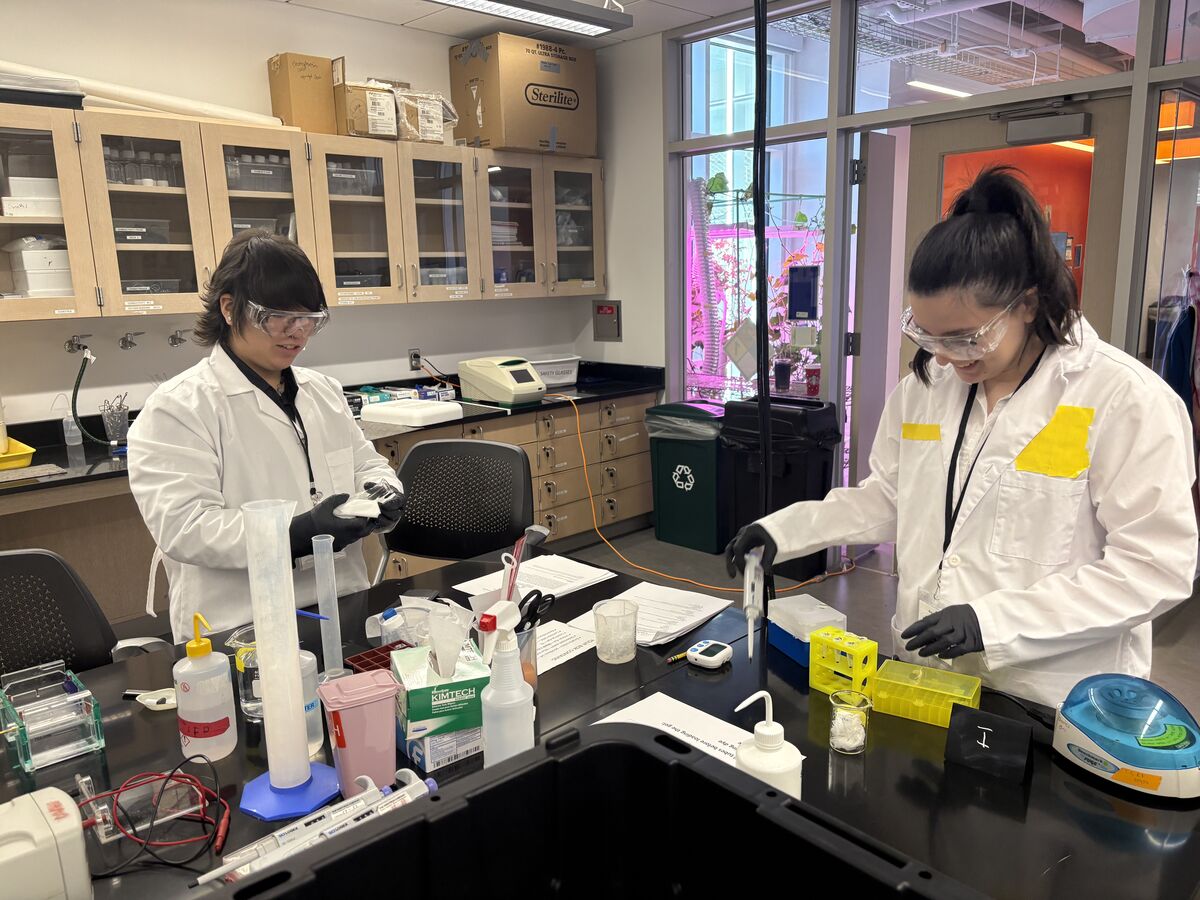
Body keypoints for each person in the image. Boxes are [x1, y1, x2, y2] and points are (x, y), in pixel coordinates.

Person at [726, 166, 1198, 708]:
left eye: (965, 337)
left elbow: (1154, 568)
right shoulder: (926, 390)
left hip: (1053, 696)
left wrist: (992, 622)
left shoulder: (1124, 401)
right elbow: (890, 498)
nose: (946, 357)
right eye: (928, 335)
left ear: (1027, 302)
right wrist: (782, 531)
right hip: (925, 672)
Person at [128, 231, 405, 642]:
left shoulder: (323, 391)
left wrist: (383, 493)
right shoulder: (179, 407)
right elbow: (185, 528)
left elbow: (367, 464)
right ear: (228, 308)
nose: (297, 333)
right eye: (280, 316)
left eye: (309, 320)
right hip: (240, 623)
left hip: (342, 601)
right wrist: (295, 534)